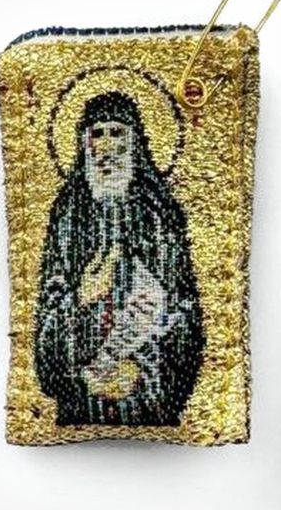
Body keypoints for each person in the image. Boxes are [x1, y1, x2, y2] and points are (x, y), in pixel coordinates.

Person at [35, 92, 204, 426]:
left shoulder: (160, 214)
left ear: (135, 142)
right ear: (83, 143)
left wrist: (141, 368)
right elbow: (44, 342)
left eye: (116, 132)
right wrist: (80, 299)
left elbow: (185, 315)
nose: (106, 147)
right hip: (81, 401)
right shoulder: (67, 216)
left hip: (148, 401)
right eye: (97, 134)